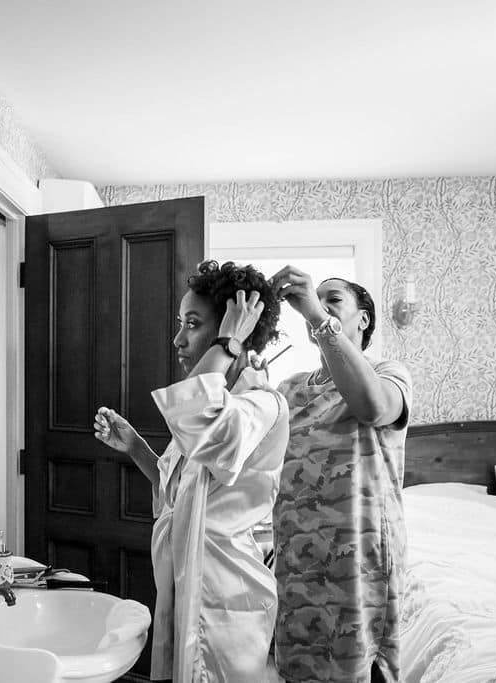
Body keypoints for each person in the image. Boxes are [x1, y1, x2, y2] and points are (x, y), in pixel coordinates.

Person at [93, 260, 289, 682]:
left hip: (225, 597)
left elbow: (196, 412)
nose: (178, 339)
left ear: (231, 332)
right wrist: (136, 448)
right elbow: (180, 492)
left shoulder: (261, 406)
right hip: (186, 583)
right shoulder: (217, 399)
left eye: (193, 324)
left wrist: (228, 342)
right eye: (181, 323)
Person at [268, 266, 413, 683]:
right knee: (296, 665)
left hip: (357, 557)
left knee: (357, 666)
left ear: (362, 319)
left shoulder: (388, 371)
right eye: (320, 298)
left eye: (335, 299)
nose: (323, 304)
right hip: (296, 557)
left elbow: (372, 407)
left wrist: (317, 318)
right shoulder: (290, 388)